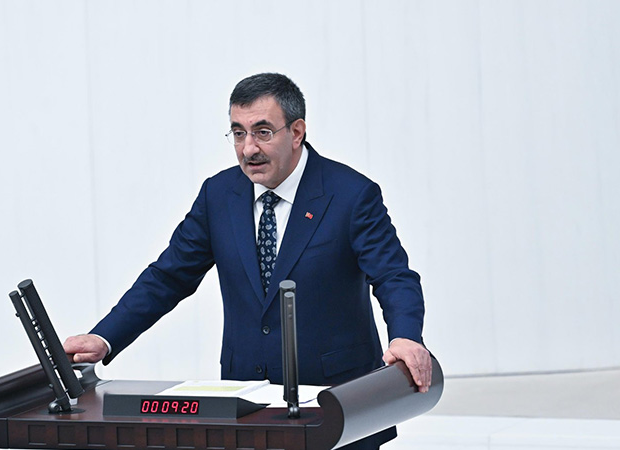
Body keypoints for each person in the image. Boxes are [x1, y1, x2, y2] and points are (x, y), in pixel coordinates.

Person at [64, 73, 431, 449]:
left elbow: (393, 276)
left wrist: (405, 336)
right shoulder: (219, 195)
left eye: (263, 132)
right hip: (244, 406)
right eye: (238, 133)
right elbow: (168, 276)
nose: (248, 148)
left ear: (297, 132)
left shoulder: (351, 194)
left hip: (336, 404)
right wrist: (105, 337)